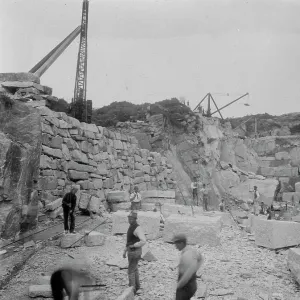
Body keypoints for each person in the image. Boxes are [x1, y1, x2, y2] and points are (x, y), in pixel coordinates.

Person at [172, 233, 204, 300]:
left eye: (176, 244)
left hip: (186, 287)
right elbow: (200, 258)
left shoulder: (186, 255)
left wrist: (179, 285)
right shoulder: (191, 250)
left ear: (181, 243)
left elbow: (187, 275)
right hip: (192, 284)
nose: (175, 246)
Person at [123, 211, 146, 295]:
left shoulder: (137, 228)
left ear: (134, 219)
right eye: (128, 218)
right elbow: (129, 240)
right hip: (132, 251)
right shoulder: (131, 226)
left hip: (134, 252)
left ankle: (132, 290)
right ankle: (137, 287)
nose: (129, 220)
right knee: (134, 269)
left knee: (130, 271)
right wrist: (125, 250)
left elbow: (143, 240)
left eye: (131, 218)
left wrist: (134, 245)